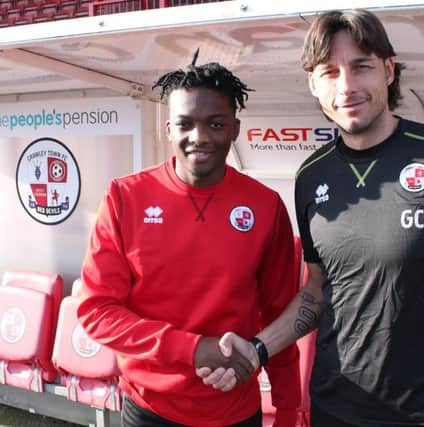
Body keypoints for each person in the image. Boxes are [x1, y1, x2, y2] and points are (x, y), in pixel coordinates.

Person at [199, 9, 424, 427]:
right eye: (329, 72)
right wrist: (258, 348)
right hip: (335, 411)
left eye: (361, 67)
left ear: (389, 70)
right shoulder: (311, 176)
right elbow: (317, 292)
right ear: (312, 83)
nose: (346, 86)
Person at [77, 52, 300, 427]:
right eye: (185, 124)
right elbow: (96, 311)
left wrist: (289, 406)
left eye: (215, 124)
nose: (199, 137)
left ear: (235, 128)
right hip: (149, 410)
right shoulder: (123, 198)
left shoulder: (266, 206)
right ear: (168, 129)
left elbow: (279, 314)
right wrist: (193, 349)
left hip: (236, 409)